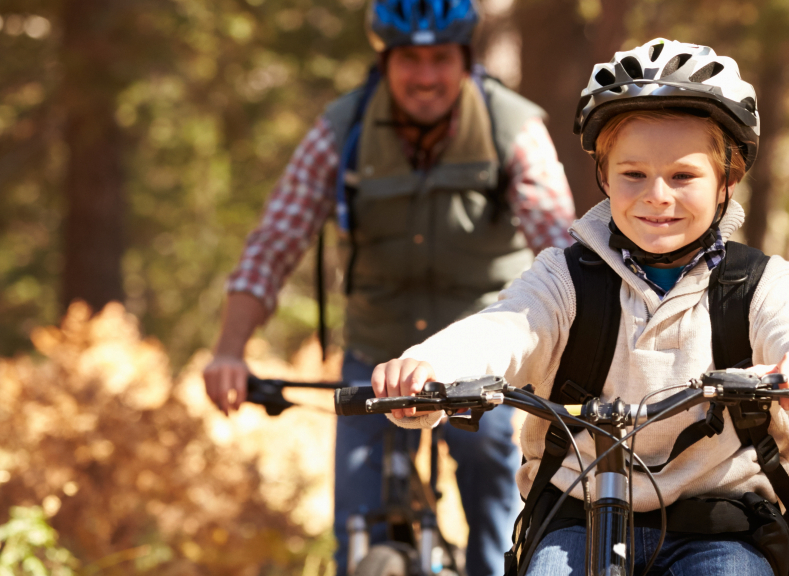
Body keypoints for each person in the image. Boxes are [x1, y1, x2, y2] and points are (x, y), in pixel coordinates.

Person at [371, 38, 789, 576]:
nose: (657, 195)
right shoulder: (566, 278)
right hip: (574, 516)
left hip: (720, 523)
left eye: (683, 176)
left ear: (727, 183)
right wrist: (433, 365)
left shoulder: (758, 284)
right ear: (604, 177)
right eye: (633, 174)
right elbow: (506, 327)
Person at [200, 0, 576, 573]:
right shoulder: (341, 129)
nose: (426, 76)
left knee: (499, 509)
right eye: (410, 60)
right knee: (354, 530)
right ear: (384, 61)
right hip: (374, 351)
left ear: (466, 59)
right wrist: (229, 349)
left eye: (441, 59)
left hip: (480, 357)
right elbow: (274, 243)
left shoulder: (513, 126)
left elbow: (559, 247)